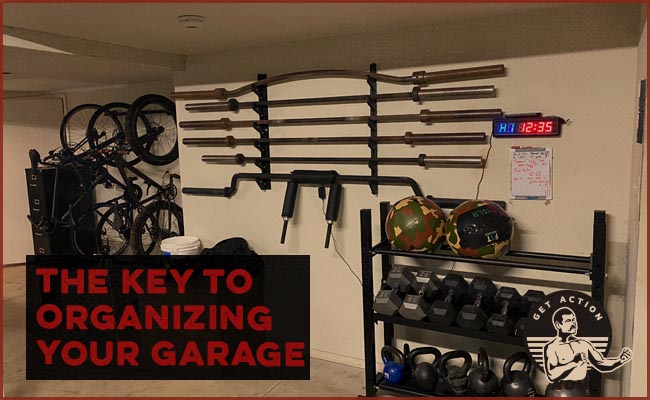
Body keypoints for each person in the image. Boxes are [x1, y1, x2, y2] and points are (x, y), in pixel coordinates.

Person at [543, 307, 631, 382]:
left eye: (574, 320)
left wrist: (620, 360)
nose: (573, 323)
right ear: (558, 325)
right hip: (559, 392)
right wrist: (574, 362)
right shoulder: (552, 347)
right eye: (568, 321)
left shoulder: (583, 344)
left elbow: (601, 364)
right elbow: (551, 375)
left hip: (581, 391)